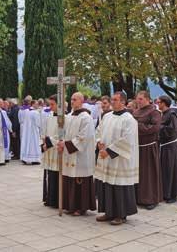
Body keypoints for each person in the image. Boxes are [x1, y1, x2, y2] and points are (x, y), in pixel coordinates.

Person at [95, 91, 139, 226]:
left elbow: (127, 139)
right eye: (112, 100)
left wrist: (108, 151)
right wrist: (99, 142)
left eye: (115, 100)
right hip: (105, 156)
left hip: (119, 159)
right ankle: (108, 212)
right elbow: (98, 131)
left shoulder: (129, 119)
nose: (112, 102)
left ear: (123, 102)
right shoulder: (107, 116)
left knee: (119, 185)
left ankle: (121, 214)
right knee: (107, 184)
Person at [57, 92, 96, 216]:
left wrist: (68, 144)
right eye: (71, 99)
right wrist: (61, 142)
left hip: (81, 155)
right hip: (69, 153)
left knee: (80, 179)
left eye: (75, 99)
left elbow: (84, 137)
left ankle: (81, 207)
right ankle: (70, 205)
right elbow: (63, 132)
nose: (72, 101)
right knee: (69, 178)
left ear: (81, 101)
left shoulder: (86, 117)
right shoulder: (69, 116)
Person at [133, 91, 162, 209]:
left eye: (140, 99)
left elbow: (154, 128)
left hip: (148, 147)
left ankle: (151, 199)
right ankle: (139, 197)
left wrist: (137, 125)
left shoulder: (154, 112)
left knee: (148, 174)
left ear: (148, 99)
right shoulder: (135, 112)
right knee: (138, 174)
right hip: (136, 146)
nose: (138, 101)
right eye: (137, 99)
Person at [157, 95, 177, 202]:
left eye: (159, 102)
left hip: (170, 146)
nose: (157, 104)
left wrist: (159, 128)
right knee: (164, 170)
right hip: (163, 146)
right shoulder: (162, 114)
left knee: (170, 169)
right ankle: (164, 192)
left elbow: (173, 130)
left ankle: (172, 194)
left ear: (164, 103)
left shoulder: (171, 115)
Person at [41, 95, 60, 208]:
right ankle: (49, 197)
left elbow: (62, 135)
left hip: (57, 150)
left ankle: (57, 200)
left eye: (53, 104)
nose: (50, 106)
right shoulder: (49, 116)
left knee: (56, 175)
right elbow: (45, 131)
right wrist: (43, 142)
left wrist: (48, 143)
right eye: (50, 104)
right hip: (48, 150)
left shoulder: (65, 117)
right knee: (49, 175)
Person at [20, 100, 41, 165]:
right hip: (33, 132)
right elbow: (38, 123)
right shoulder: (35, 112)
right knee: (33, 145)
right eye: (36, 104)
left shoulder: (26, 111)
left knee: (27, 144)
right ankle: (34, 159)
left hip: (27, 132)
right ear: (33, 104)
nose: (38, 105)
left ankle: (25, 158)